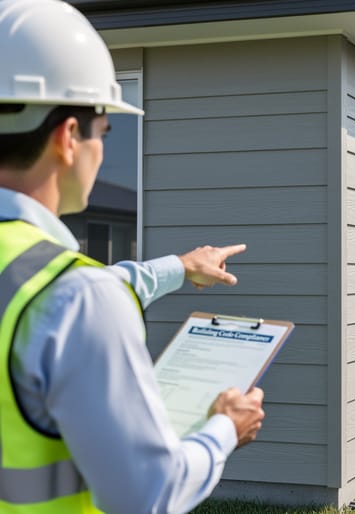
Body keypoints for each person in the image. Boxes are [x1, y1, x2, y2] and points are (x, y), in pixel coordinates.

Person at [0, 1, 265, 512]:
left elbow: (49, 296)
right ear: (69, 137)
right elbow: (150, 494)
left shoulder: (59, 291)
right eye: (105, 132)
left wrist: (180, 267)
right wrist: (225, 430)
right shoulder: (77, 297)